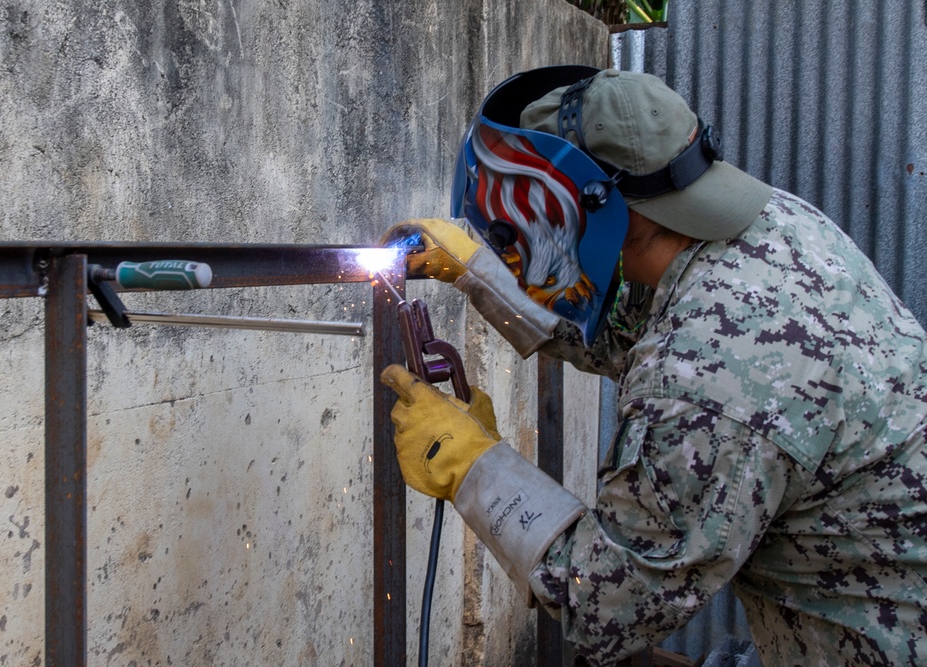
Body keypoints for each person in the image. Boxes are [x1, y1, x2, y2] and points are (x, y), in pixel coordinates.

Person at [380, 66, 927, 666]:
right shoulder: (771, 229)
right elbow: (635, 329)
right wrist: (477, 272)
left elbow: (607, 599)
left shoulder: (705, 382)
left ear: (582, 205)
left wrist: (472, 466)